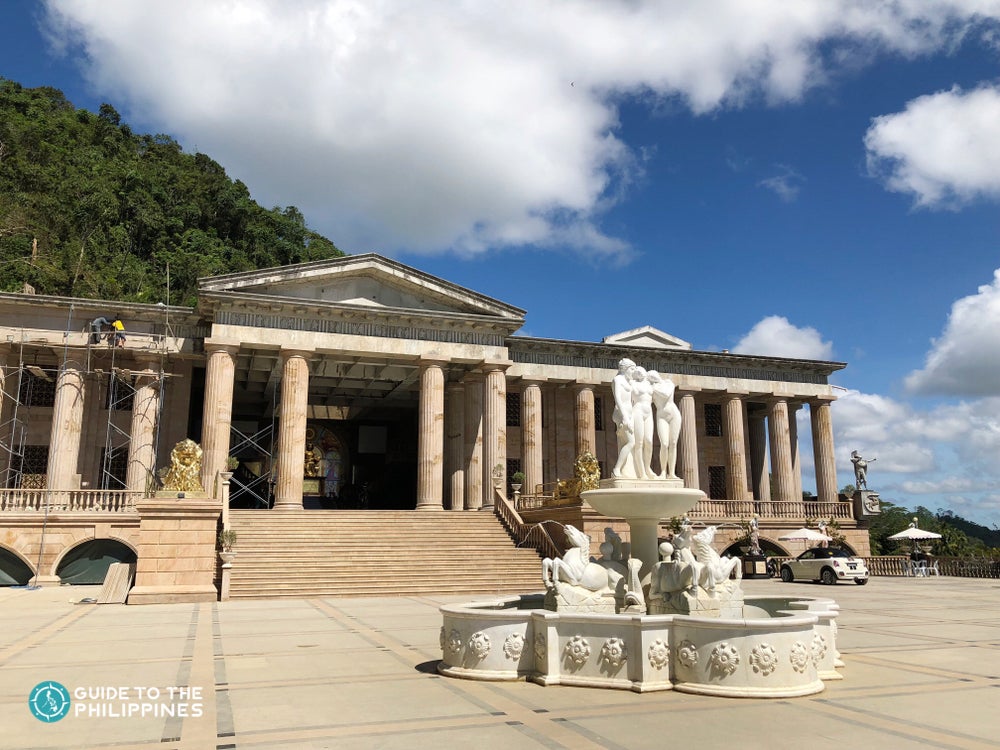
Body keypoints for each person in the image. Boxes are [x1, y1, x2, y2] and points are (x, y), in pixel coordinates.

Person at [648, 370, 681, 479]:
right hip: (661, 416)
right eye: (650, 377)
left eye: (653, 375)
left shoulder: (668, 383)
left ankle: (671, 473)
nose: (653, 377)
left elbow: (666, 394)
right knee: (664, 443)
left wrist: (653, 388)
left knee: (673, 443)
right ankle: (663, 472)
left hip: (674, 414)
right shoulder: (651, 389)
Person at [611, 358, 636, 478]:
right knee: (631, 442)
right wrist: (625, 417)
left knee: (625, 443)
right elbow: (618, 399)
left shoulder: (629, 381)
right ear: (625, 369)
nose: (633, 372)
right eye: (632, 369)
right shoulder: (617, 380)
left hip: (629, 413)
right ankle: (616, 468)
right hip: (621, 413)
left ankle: (626, 471)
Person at [630, 366, 656, 479]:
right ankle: (641, 472)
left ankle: (647, 468)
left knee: (649, 441)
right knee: (639, 442)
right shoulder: (632, 383)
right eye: (636, 371)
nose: (639, 372)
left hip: (648, 412)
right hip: (638, 410)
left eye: (640, 370)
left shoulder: (651, 384)